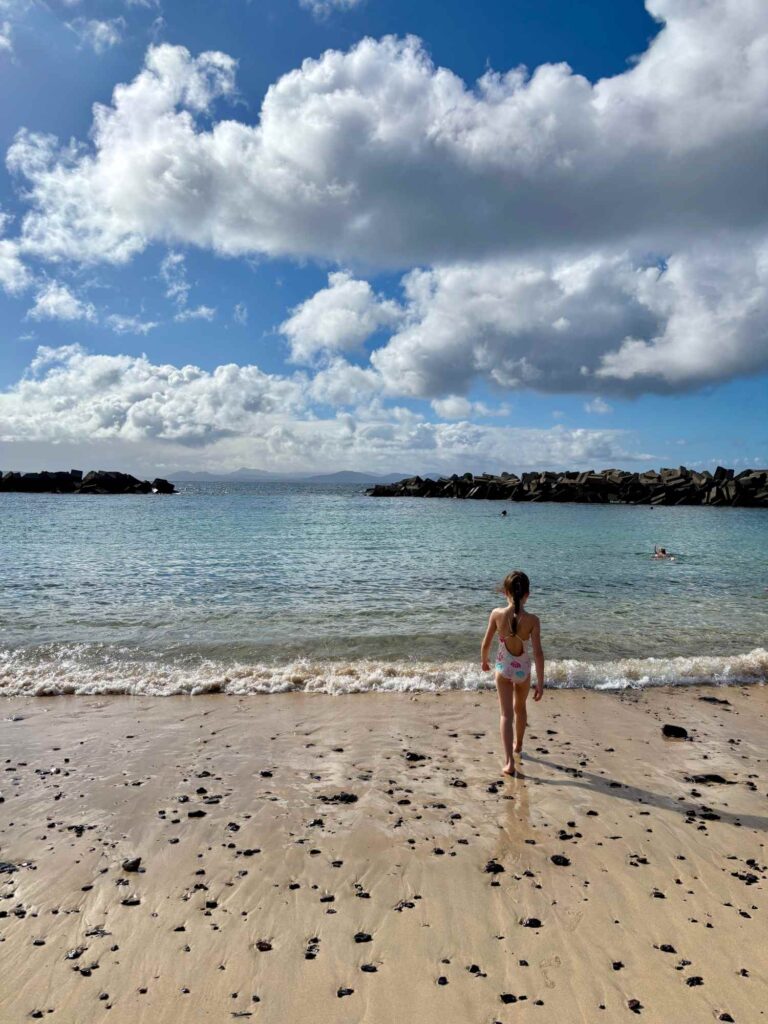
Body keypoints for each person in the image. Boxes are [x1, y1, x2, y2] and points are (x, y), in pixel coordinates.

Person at [481, 570, 544, 774]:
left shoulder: (497, 614)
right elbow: (538, 653)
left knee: (506, 714)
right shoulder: (533, 620)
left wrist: (484, 660)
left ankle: (509, 762)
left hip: (503, 669)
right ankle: (519, 745)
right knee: (520, 709)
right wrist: (540, 683)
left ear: (505, 592)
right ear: (528, 594)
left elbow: (487, 642)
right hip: (523, 672)